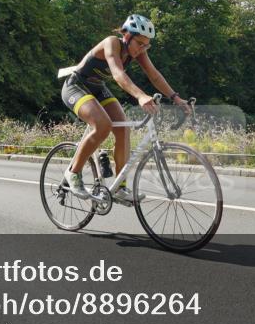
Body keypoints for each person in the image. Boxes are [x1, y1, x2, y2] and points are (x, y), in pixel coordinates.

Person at [59, 14, 190, 203]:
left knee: (122, 129)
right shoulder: (111, 43)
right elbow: (118, 75)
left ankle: (119, 188)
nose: (143, 48)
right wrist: (140, 95)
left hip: (97, 88)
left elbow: (155, 76)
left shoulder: (138, 51)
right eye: (140, 43)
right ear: (127, 36)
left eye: (147, 45)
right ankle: (73, 173)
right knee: (103, 125)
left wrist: (176, 98)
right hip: (76, 86)